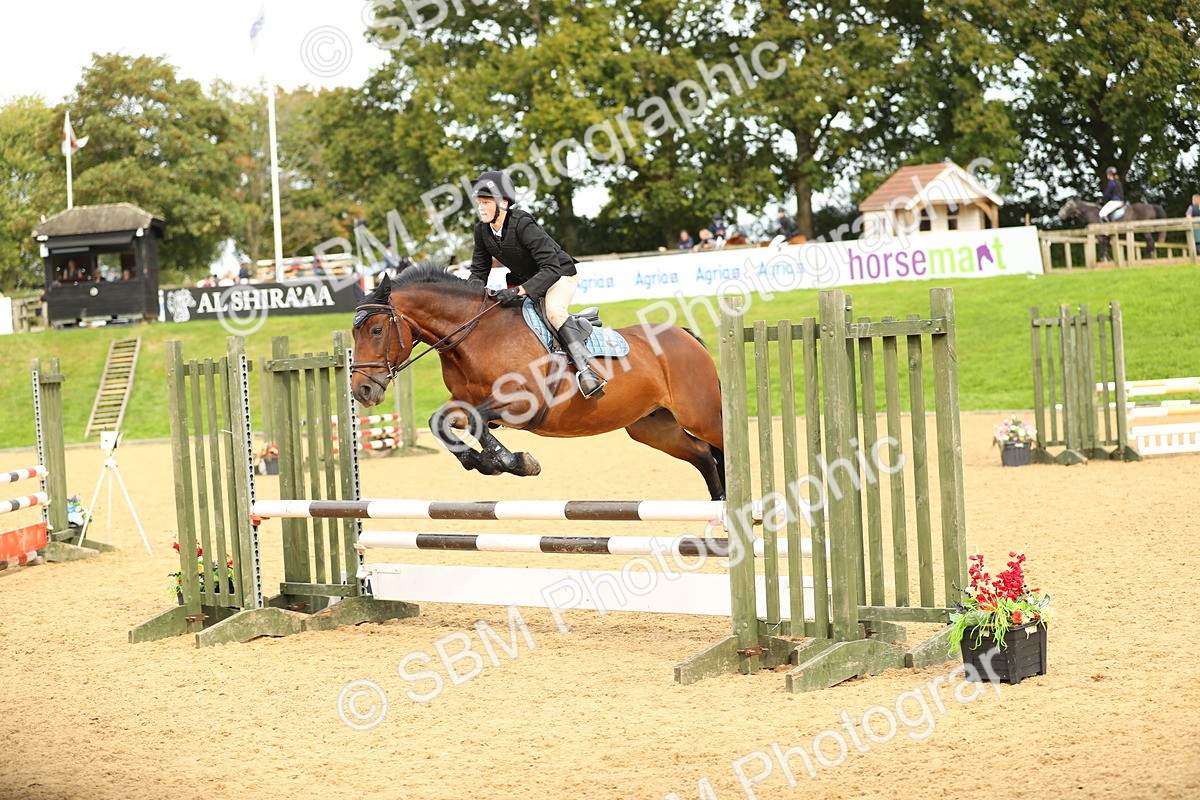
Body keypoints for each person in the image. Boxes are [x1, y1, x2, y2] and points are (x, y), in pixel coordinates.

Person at [468, 170, 606, 398]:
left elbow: (551, 267)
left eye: (486, 202)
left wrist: (520, 291)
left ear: (503, 203)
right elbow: (478, 272)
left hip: (559, 275)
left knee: (553, 311)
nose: (481, 208)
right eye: (479, 202)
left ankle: (587, 372)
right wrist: (470, 298)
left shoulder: (522, 223)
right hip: (528, 282)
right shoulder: (481, 231)